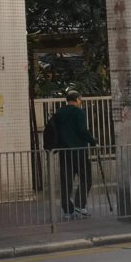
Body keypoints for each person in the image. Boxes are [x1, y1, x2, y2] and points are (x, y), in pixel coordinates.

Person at [48, 90, 96, 218]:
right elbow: (82, 130)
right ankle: (80, 205)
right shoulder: (78, 112)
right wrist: (92, 141)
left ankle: (67, 210)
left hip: (64, 152)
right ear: (77, 99)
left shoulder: (59, 113)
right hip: (79, 150)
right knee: (86, 177)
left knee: (66, 181)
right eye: (80, 99)